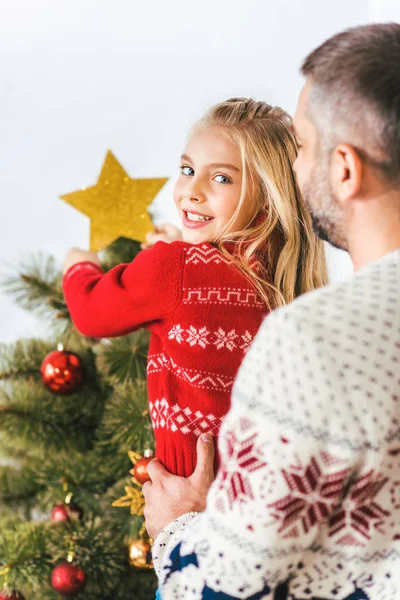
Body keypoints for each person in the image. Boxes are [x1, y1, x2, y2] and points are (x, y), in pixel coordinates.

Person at [143, 23, 400, 600]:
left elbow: (228, 588)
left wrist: (180, 528)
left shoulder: (313, 338)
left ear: (344, 170)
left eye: (300, 149)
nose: (294, 169)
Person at [63, 98, 327, 481]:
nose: (191, 191)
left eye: (221, 178)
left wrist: (79, 267)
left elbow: (91, 313)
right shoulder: (287, 279)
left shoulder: (177, 268)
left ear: (268, 198)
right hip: (260, 491)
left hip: (187, 486)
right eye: (187, 169)